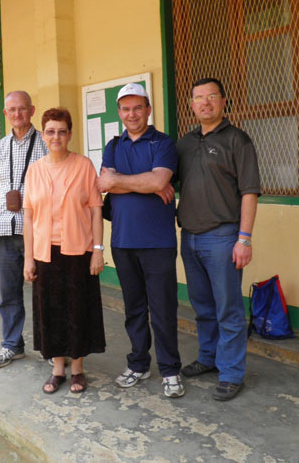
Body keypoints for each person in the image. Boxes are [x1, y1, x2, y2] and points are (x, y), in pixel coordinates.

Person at [96, 82, 184, 399]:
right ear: (119, 113)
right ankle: (138, 364)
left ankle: (171, 370)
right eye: (125, 108)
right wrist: (145, 183)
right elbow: (104, 184)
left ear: (148, 109)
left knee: (162, 308)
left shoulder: (163, 143)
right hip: (122, 240)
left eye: (137, 107)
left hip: (158, 241)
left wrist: (135, 181)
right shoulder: (113, 145)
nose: (132, 114)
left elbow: (159, 179)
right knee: (134, 308)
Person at [176, 77, 260, 401]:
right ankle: (209, 358)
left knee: (229, 309)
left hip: (224, 237)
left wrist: (245, 239)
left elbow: (249, 192)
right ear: (192, 104)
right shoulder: (184, 144)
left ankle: (232, 372)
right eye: (199, 98)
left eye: (212, 96)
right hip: (191, 238)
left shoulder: (238, 140)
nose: (205, 102)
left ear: (223, 101)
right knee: (202, 305)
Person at [23, 108, 105, 394]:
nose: (56, 136)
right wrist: (28, 258)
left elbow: (96, 211)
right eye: (50, 131)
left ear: (69, 134)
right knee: (52, 312)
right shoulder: (34, 171)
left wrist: (98, 250)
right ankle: (58, 368)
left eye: (61, 131)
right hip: (45, 254)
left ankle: (78, 369)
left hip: (78, 252)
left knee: (78, 310)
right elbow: (29, 217)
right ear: (43, 134)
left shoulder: (84, 166)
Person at [0, 91, 48, 369]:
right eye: (12, 110)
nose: (18, 114)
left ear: (32, 110)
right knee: (9, 294)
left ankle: (50, 348)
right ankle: (12, 345)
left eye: (22, 109)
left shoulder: (46, 143)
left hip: (39, 233)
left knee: (45, 293)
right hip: (3, 235)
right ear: (5, 113)